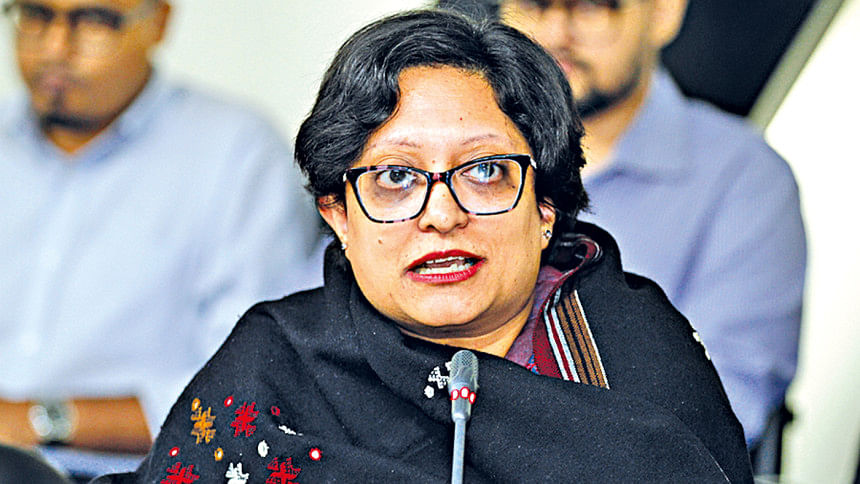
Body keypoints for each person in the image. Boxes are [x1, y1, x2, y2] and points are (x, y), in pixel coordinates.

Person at [96, 9, 753, 482]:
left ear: (545, 208)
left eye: (485, 170)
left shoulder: (636, 364)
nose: (441, 215)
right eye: (395, 178)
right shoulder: (276, 367)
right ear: (339, 216)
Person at [439, 0, 807, 447]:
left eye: (592, 7)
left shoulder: (744, 178)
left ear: (663, 13)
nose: (555, 33)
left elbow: (720, 408)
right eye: (534, 4)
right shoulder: (432, 158)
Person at [0, 0, 320, 457]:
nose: (54, 48)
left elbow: (255, 387)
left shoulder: (235, 156)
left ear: (159, 21)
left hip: (131, 469)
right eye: (36, 15)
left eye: (93, 21)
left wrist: (40, 421)